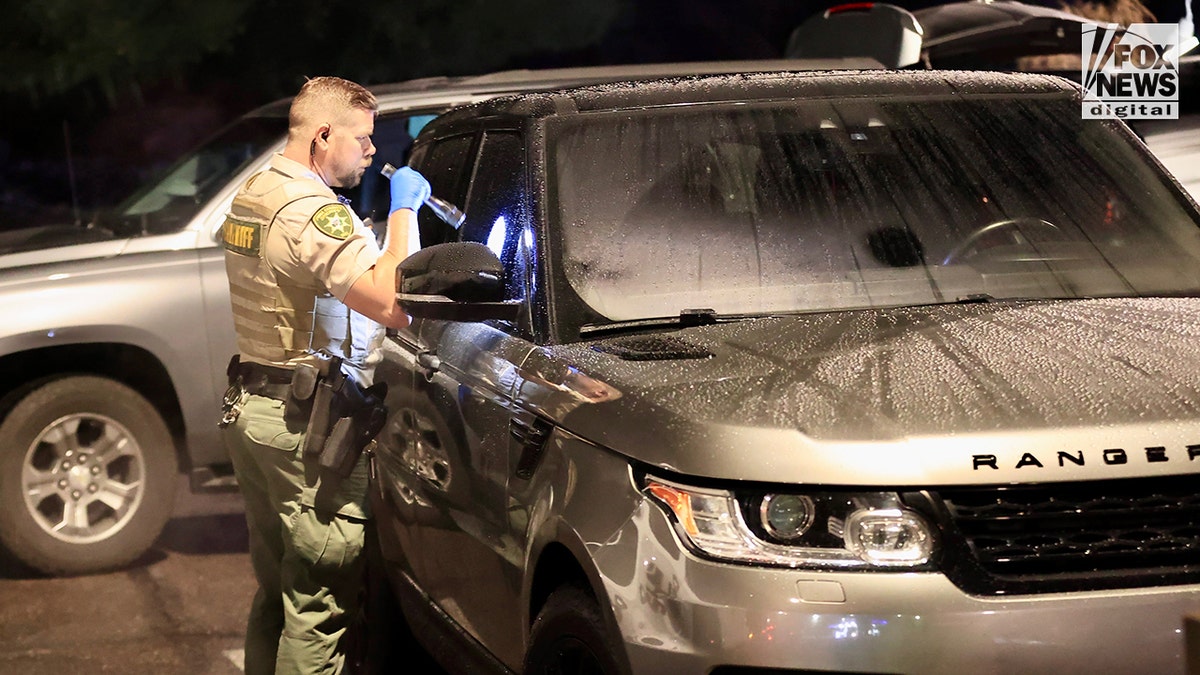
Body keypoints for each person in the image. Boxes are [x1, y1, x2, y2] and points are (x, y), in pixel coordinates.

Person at [218, 75, 430, 674]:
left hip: (257, 411)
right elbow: (393, 303)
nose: (372, 151)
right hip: (305, 430)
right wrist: (404, 212)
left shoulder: (257, 191)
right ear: (323, 135)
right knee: (318, 608)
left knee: (281, 595)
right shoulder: (310, 212)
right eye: (362, 138)